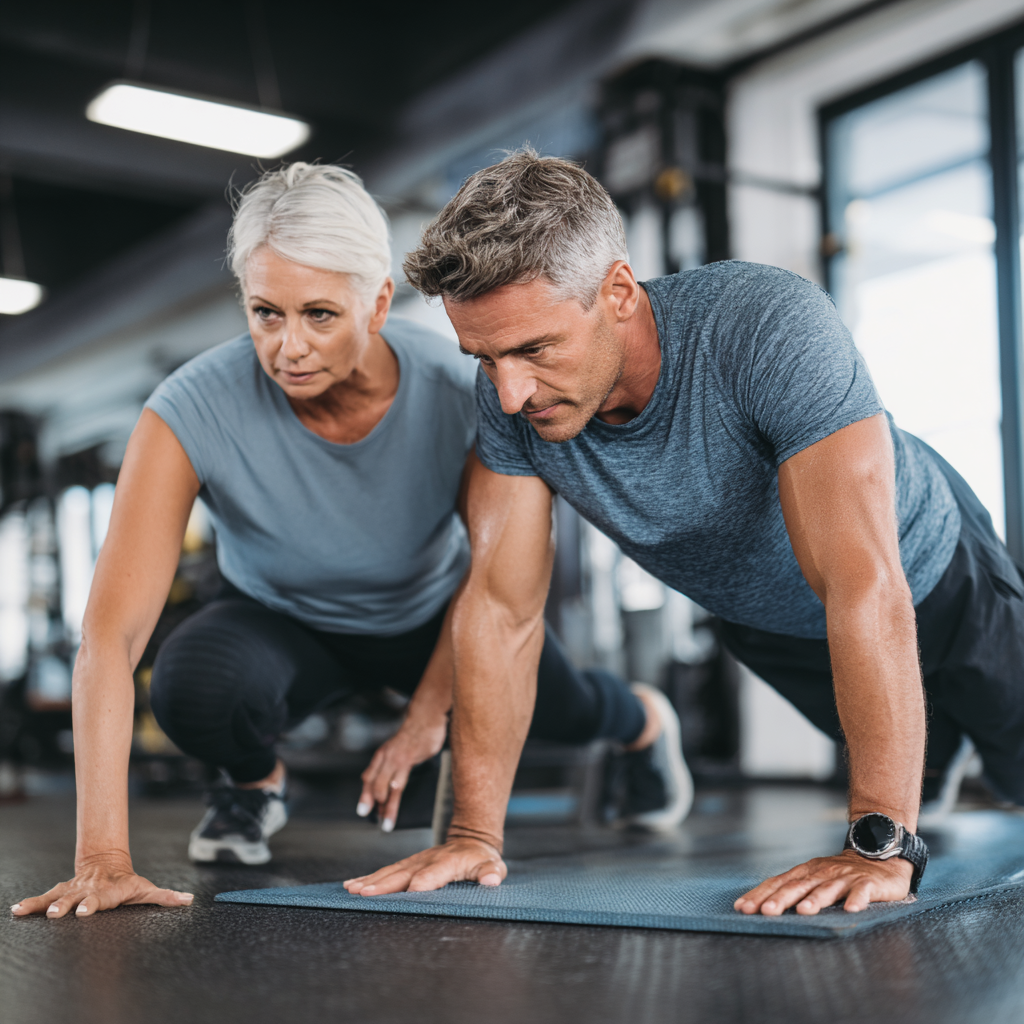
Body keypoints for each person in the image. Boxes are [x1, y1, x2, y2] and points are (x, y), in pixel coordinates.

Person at [342, 150, 1024, 915]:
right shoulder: (512, 397)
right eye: (485, 357)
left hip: (935, 580)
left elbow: (863, 582)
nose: (509, 394)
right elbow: (501, 610)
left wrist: (879, 843)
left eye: (535, 349)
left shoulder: (764, 325)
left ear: (619, 292)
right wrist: (474, 834)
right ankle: (933, 759)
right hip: (771, 628)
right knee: (918, 780)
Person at [10, 163, 691, 920]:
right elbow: (111, 634)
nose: (289, 347)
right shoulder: (189, 409)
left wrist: (430, 714)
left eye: (320, 315)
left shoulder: (460, 389)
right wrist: (102, 858)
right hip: (281, 618)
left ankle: (643, 722)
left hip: (434, 613)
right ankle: (252, 785)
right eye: (266, 313)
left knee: (553, 707)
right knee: (192, 686)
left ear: (377, 303)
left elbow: (493, 581)